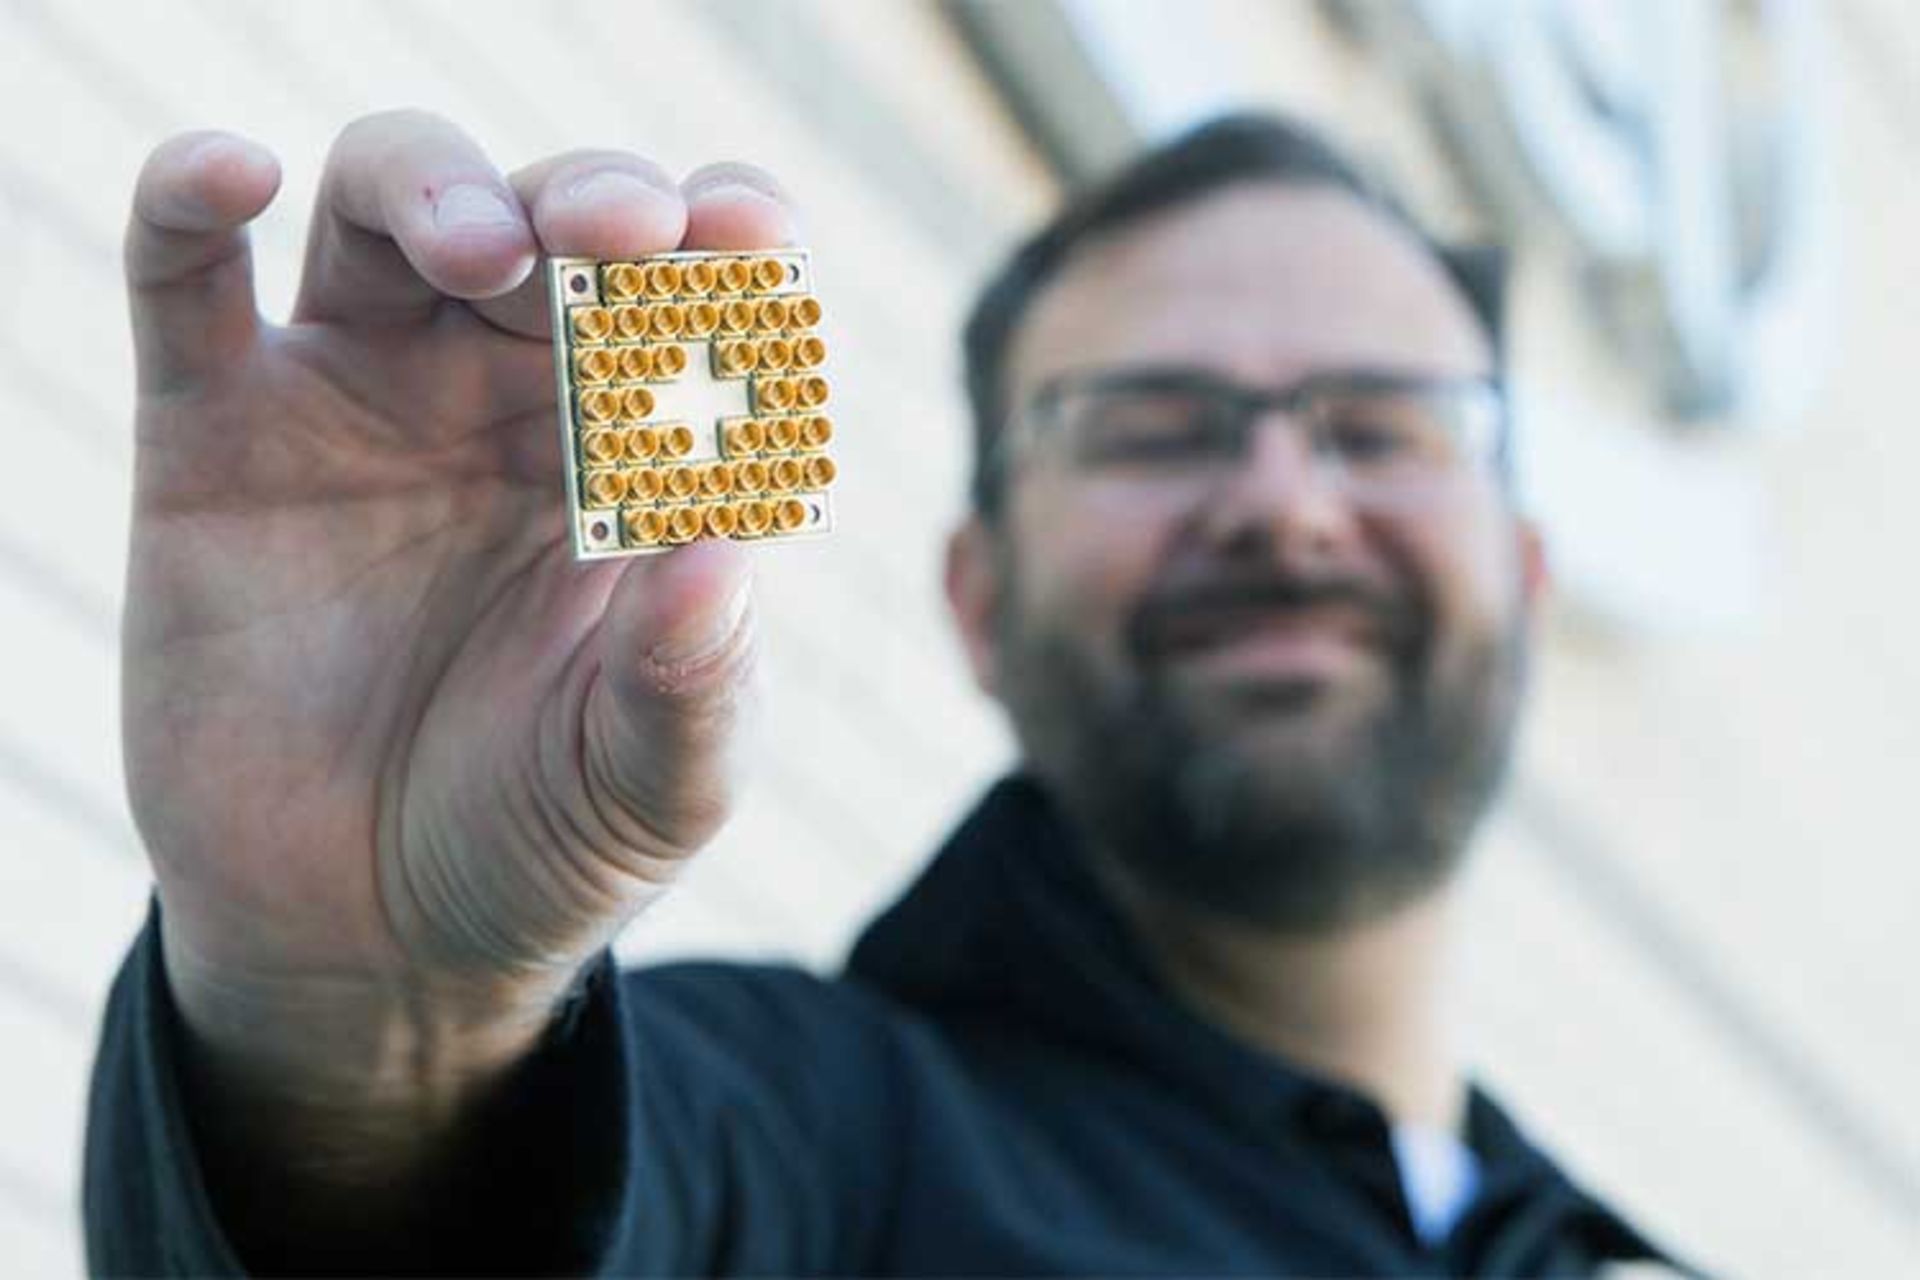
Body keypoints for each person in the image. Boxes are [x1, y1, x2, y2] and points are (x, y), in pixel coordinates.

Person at [84, 108, 1703, 1276]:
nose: (1286, 504)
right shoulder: (795, 1154)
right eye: (1151, 425)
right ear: (977, 601)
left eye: (1383, 423)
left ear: (1526, 575)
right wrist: (374, 1017)